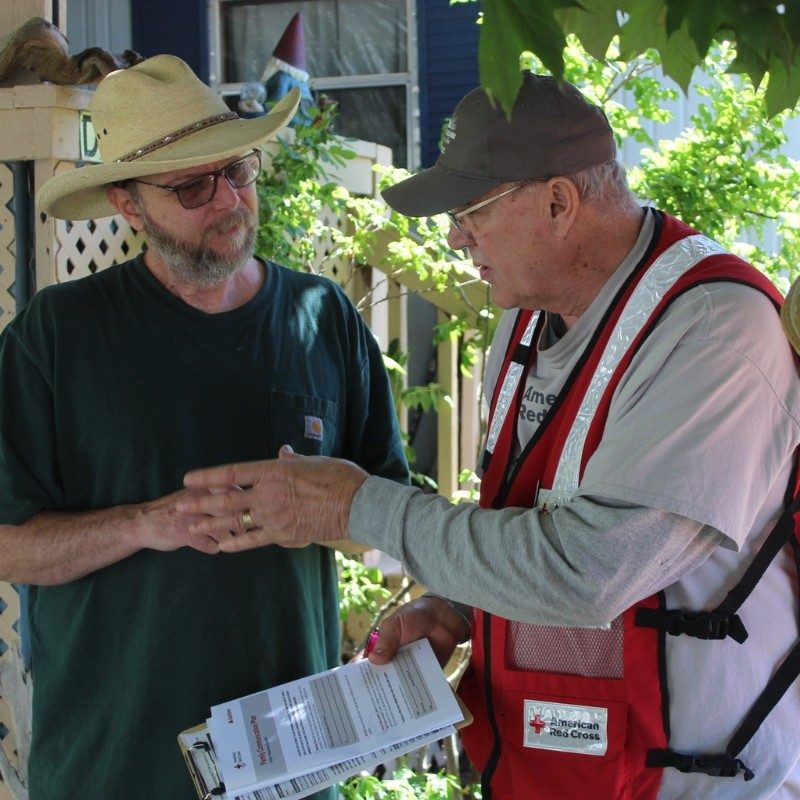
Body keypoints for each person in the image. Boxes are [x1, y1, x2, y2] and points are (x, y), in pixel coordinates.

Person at [178, 72, 800, 799]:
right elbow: (527, 517)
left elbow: (588, 574)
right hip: (551, 775)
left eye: (470, 210)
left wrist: (355, 507)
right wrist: (457, 608)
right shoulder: (528, 317)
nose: (453, 235)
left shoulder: (714, 332)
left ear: (559, 203)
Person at [0, 54, 407, 800]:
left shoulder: (323, 321)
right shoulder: (57, 335)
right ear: (127, 203)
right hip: (111, 770)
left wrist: (323, 508)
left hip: (285, 766)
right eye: (192, 185)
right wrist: (146, 523)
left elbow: (393, 527)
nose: (228, 200)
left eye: (238, 171)